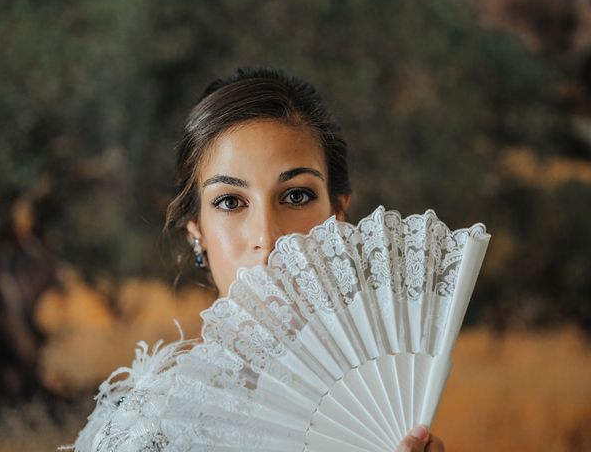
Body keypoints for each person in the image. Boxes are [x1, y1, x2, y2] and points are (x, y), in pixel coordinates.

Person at [72, 67, 446, 452]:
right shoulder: (148, 425)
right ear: (196, 228)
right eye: (231, 202)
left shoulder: (388, 412)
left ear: (337, 216)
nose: (268, 239)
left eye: (296, 196)